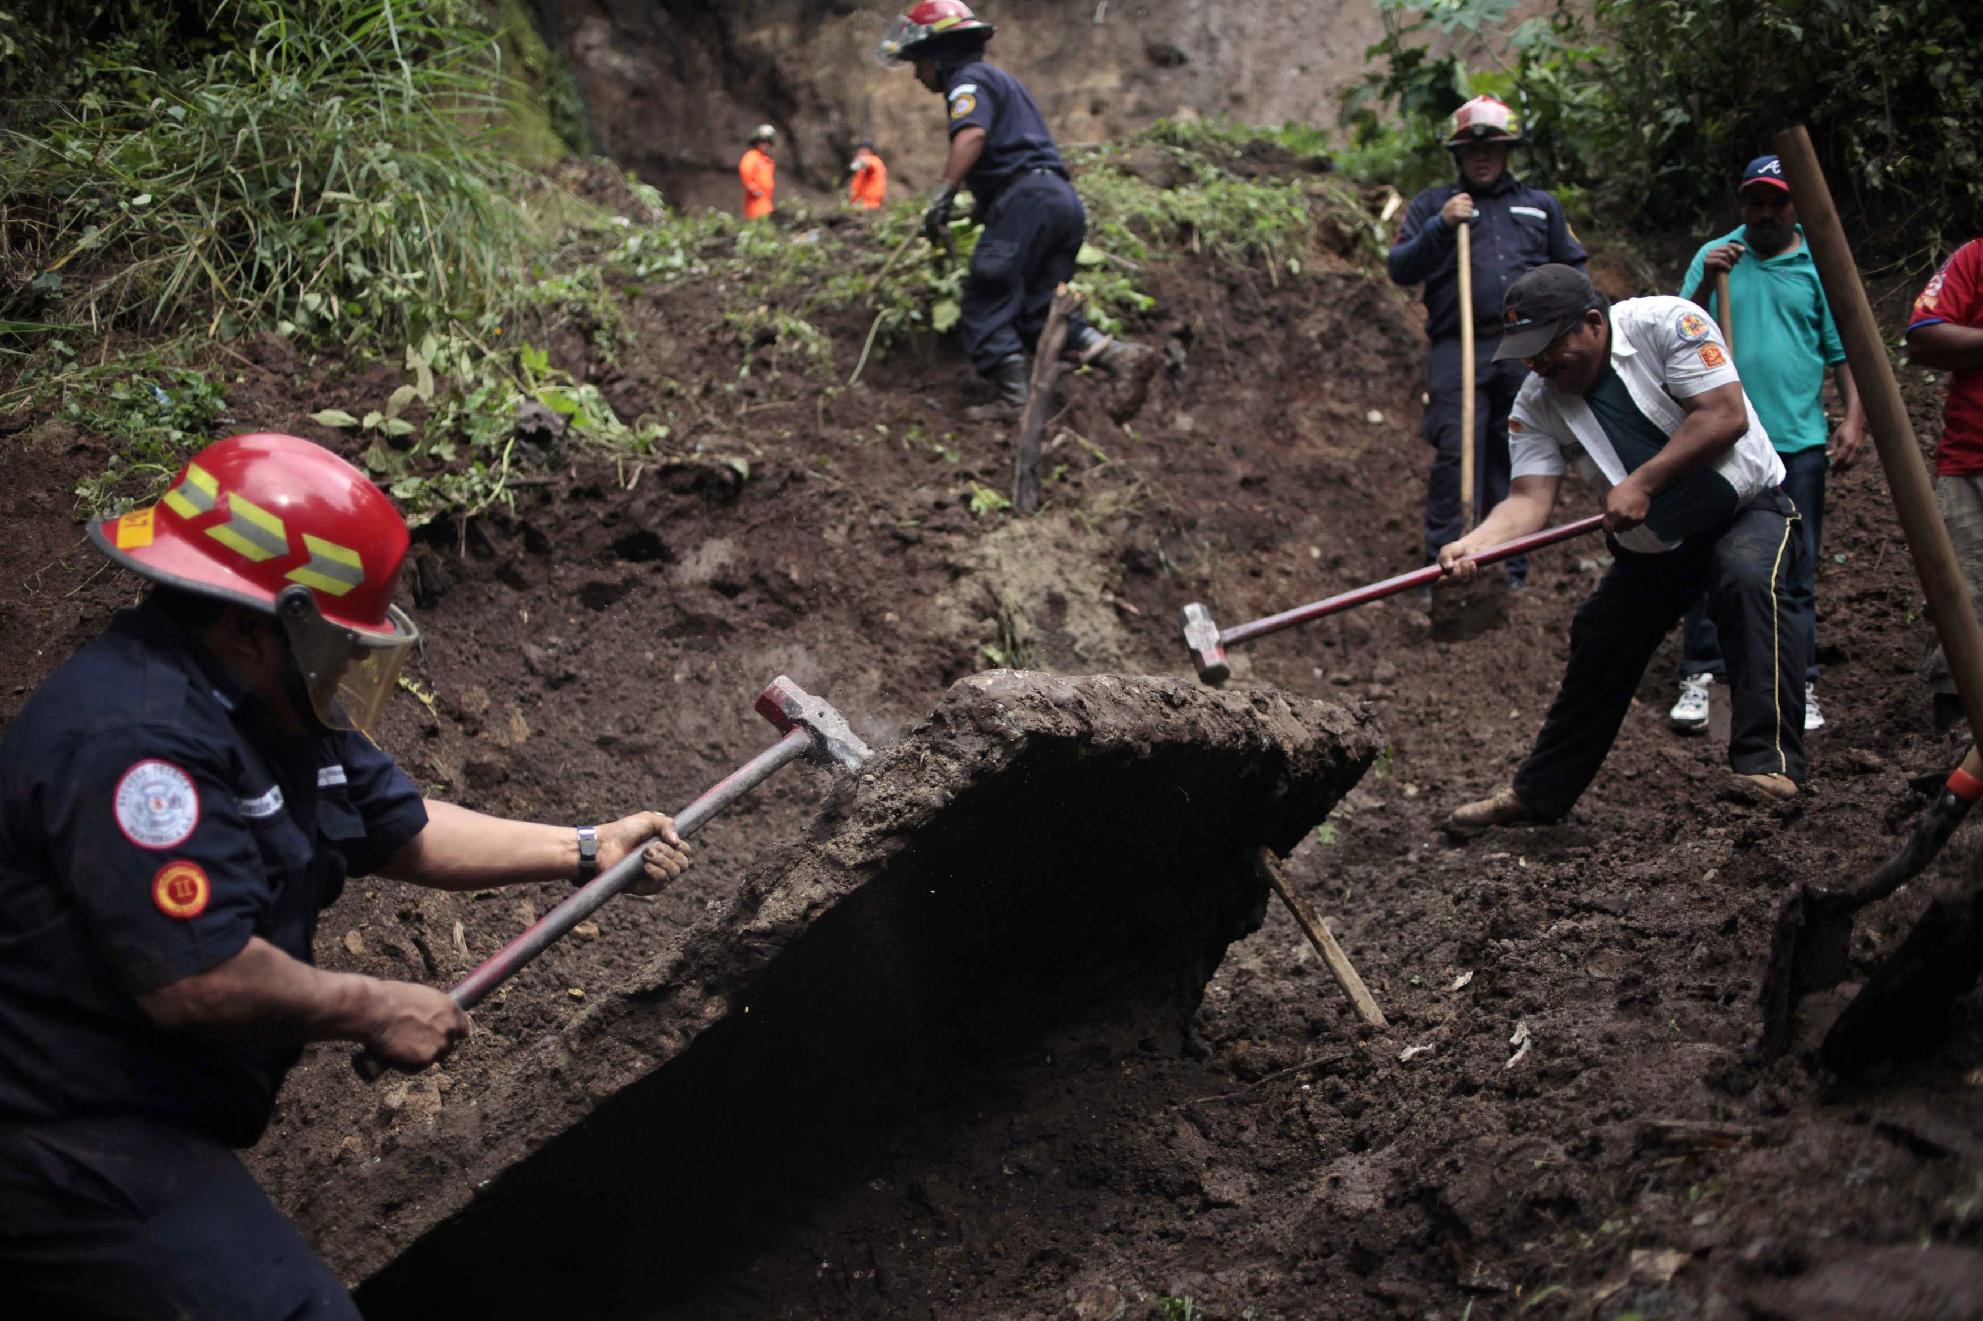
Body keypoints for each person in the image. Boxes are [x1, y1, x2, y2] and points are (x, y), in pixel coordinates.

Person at [0, 433, 692, 1318]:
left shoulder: (264, 710)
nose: (351, 663)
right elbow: (198, 977)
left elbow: (400, 827)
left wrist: (587, 847)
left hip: (138, 1124)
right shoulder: (137, 744)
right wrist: (375, 1004)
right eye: (336, 638)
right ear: (256, 624)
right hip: (62, 1138)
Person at [1442, 264, 1808, 834]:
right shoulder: (1536, 403)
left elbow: (1725, 415)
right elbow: (1529, 500)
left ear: (1592, 322)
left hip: (1743, 506)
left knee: (1746, 579)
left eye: (1548, 350)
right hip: (1656, 543)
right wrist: (1476, 544)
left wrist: (1642, 482)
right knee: (1602, 634)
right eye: (1528, 356)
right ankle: (1539, 794)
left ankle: (1769, 768)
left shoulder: (1668, 324)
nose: (1539, 368)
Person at [1665, 154, 1865, 737]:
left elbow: (1841, 348)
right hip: (1722, 443)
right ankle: (1701, 673)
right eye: (1756, 201)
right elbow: (1675, 335)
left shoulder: (1816, 263)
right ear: (1742, 204)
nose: (1766, 213)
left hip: (1798, 442)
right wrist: (1705, 279)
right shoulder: (1717, 257)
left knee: (1795, 567)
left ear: (1795, 206)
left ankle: (1796, 683)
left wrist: (1852, 419)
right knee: (1708, 557)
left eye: (1778, 201)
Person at [878, 0, 1146, 416]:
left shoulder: (967, 82)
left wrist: (943, 193)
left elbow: (972, 137)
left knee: (988, 289)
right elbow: (1016, 156)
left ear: (937, 55)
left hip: (1028, 201)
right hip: (1058, 200)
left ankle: (1014, 399)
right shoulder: (1001, 80)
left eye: (918, 63)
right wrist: (978, 210)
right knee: (1038, 307)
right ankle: (1114, 354)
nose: (916, 75)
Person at [1389, 95, 1587, 587]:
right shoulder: (1434, 205)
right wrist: (1441, 227)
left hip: (1527, 346)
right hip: (1459, 346)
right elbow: (1400, 268)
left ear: (1508, 152)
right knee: (1457, 449)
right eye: (1472, 149)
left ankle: (1507, 568)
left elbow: (1574, 270)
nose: (1483, 157)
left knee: (1515, 450)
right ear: (1457, 154)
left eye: (1493, 148)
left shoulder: (1540, 207)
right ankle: (1445, 567)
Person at [1907, 236, 1983, 735]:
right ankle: (1950, 740)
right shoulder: (1975, 257)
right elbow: (1924, 336)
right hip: (1972, 461)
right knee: (1963, 598)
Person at [739, 124, 777, 220]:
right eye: (763, 141)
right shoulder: (752, 156)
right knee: (758, 223)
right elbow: (745, 171)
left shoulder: (767, 161)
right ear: (757, 141)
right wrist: (753, 188)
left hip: (766, 201)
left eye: (768, 142)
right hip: (756, 201)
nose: (766, 144)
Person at [846, 137, 888, 210]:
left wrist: (855, 164)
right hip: (860, 204)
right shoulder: (865, 167)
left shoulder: (873, 160)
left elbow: (863, 163)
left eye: (862, 150)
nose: (859, 152)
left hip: (868, 205)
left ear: (869, 151)